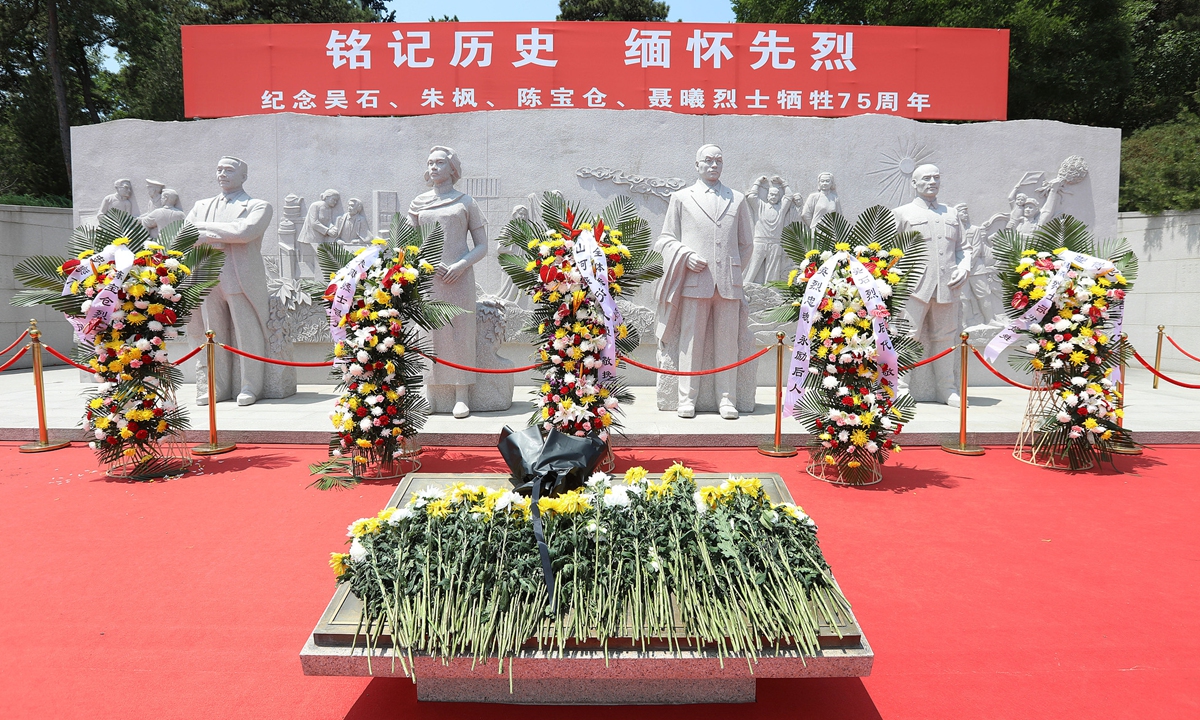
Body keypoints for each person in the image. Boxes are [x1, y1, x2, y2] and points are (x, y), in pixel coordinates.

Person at [653, 144, 755, 419]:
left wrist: (732, 270)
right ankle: (687, 398)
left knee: (727, 343)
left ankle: (727, 399)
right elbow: (665, 239)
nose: (713, 165)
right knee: (691, 342)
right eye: (707, 161)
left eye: (718, 161)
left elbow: (746, 244)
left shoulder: (737, 198)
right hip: (694, 282)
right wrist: (685, 256)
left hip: (729, 283)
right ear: (697, 165)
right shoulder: (682, 198)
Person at [184, 156, 274, 406]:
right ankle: (217, 387)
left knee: (247, 333)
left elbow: (245, 232)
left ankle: (250, 385)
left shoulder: (258, 205)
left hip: (238, 277)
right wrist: (224, 231)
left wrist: (206, 232)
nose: (222, 174)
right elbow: (186, 233)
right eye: (219, 169)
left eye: (229, 170)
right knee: (212, 332)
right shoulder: (201, 205)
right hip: (206, 276)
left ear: (243, 176)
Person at [408, 146, 487, 419]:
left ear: (452, 168)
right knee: (429, 333)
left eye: (440, 163)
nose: (433, 167)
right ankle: (431, 393)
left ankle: (461, 394)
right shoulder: (418, 203)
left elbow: (483, 246)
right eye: (430, 163)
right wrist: (425, 263)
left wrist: (461, 265)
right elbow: (408, 244)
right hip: (430, 279)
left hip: (460, 278)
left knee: (459, 333)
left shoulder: (466, 202)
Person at [891, 164, 969, 406]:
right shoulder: (902, 213)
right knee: (907, 336)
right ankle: (900, 388)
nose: (932, 182)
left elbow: (963, 249)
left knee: (945, 337)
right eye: (926, 178)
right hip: (913, 288)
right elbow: (888, 252)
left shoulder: (952, 214)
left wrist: (964, 266)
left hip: (948, 286)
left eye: (936, 177)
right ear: (914, 183)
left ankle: (947, 389)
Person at [743, 175, 794, 284]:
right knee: (752, 268)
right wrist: (758, 182)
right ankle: (744, 289)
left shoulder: (781, 209)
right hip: (760, 242)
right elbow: (751, 196)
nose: (773, 197)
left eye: (776, 195)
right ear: (767, 196)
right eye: (771, 194)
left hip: (775, 243)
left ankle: (772, 294)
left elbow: (789, 196)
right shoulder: (760, 206)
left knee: (773, 272)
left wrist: (783, 182)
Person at [299, 189, 340, 274]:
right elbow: (314, 222)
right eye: (333, 199)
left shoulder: (328, 209)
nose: (335, 202)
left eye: (336, 201)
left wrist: (333, 227)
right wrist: (328, 231)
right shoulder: (315, 205)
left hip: (320, 237)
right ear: (326, 197)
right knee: (310, 264)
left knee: (320, 261)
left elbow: (328, 222)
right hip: (309, 238)